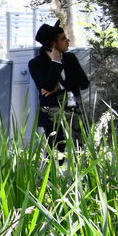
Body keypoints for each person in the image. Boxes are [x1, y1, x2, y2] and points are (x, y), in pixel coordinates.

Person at [28, 21, 90, 150]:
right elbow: (48, 86)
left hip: (75, 112)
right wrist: (55, 62)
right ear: (53, 43)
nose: (68, 40)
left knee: (81, 151)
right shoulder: (36, 64)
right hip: (53, 116)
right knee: (56, 154)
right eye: (63, 38)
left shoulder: (70, 58)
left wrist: (61, 86)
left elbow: (84, 82)